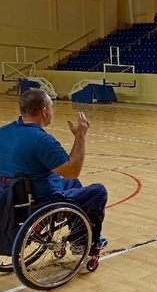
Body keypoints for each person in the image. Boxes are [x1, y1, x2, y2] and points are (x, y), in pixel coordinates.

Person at [0, 90, 108, 251]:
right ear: (44, 111)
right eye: (51, 107)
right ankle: (84, 241)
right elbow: (72, 170)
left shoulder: (4, 132)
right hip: (40, 201)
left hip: (8, 196)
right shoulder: (41, 140)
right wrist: (80, 137)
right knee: (98, 191)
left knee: (72, 183)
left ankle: (80, 235)